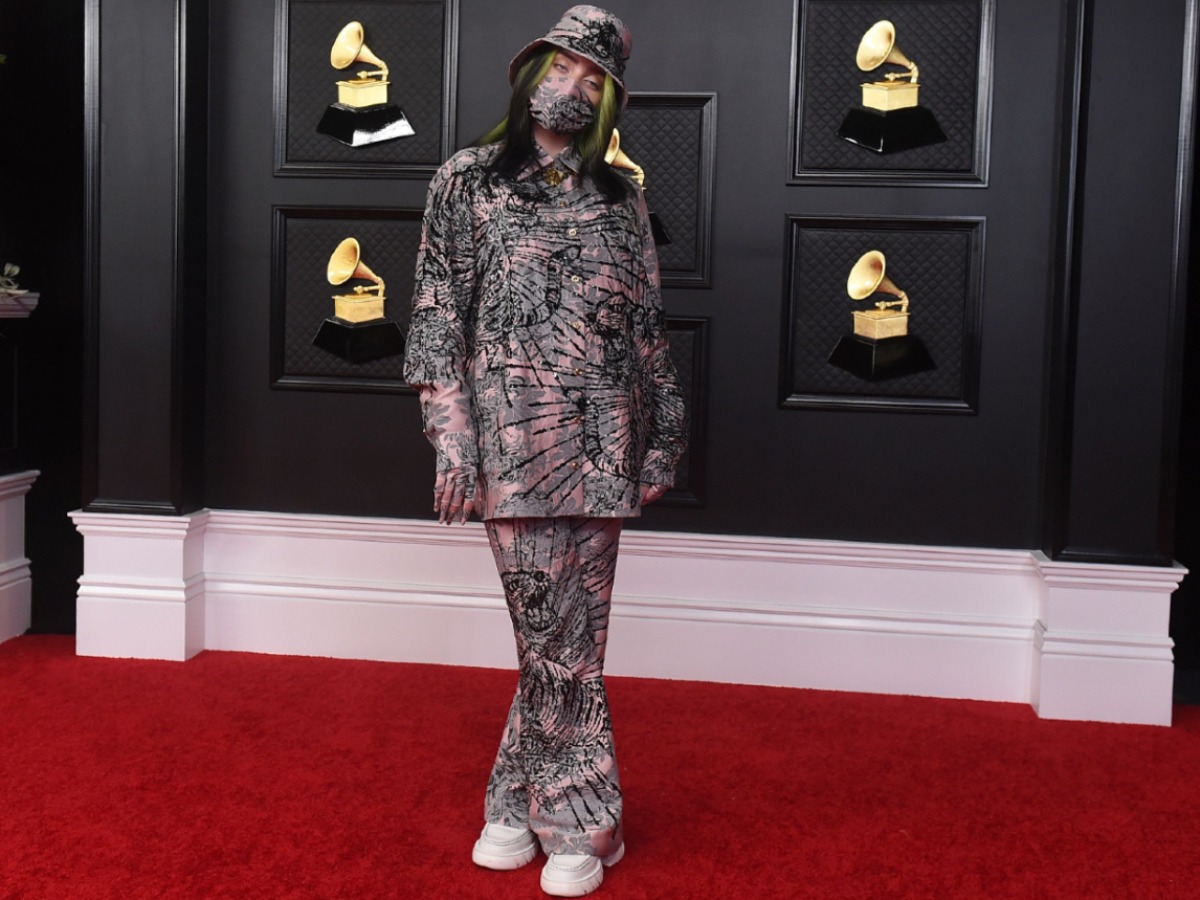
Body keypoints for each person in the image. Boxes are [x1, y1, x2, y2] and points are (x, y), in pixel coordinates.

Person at [403, 6, 686, 896]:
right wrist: (453, 446)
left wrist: (664, 439)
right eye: (565, 65)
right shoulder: (465, 182)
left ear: (609, 104)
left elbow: (647, 330)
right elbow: (437, 319)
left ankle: (538, 807)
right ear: (533, 74)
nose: (575, 84)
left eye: (596, 78)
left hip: (605, 444)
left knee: (574, 639)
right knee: (545, 633)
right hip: (510, 445)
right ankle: (582, 818)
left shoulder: (621, 196)